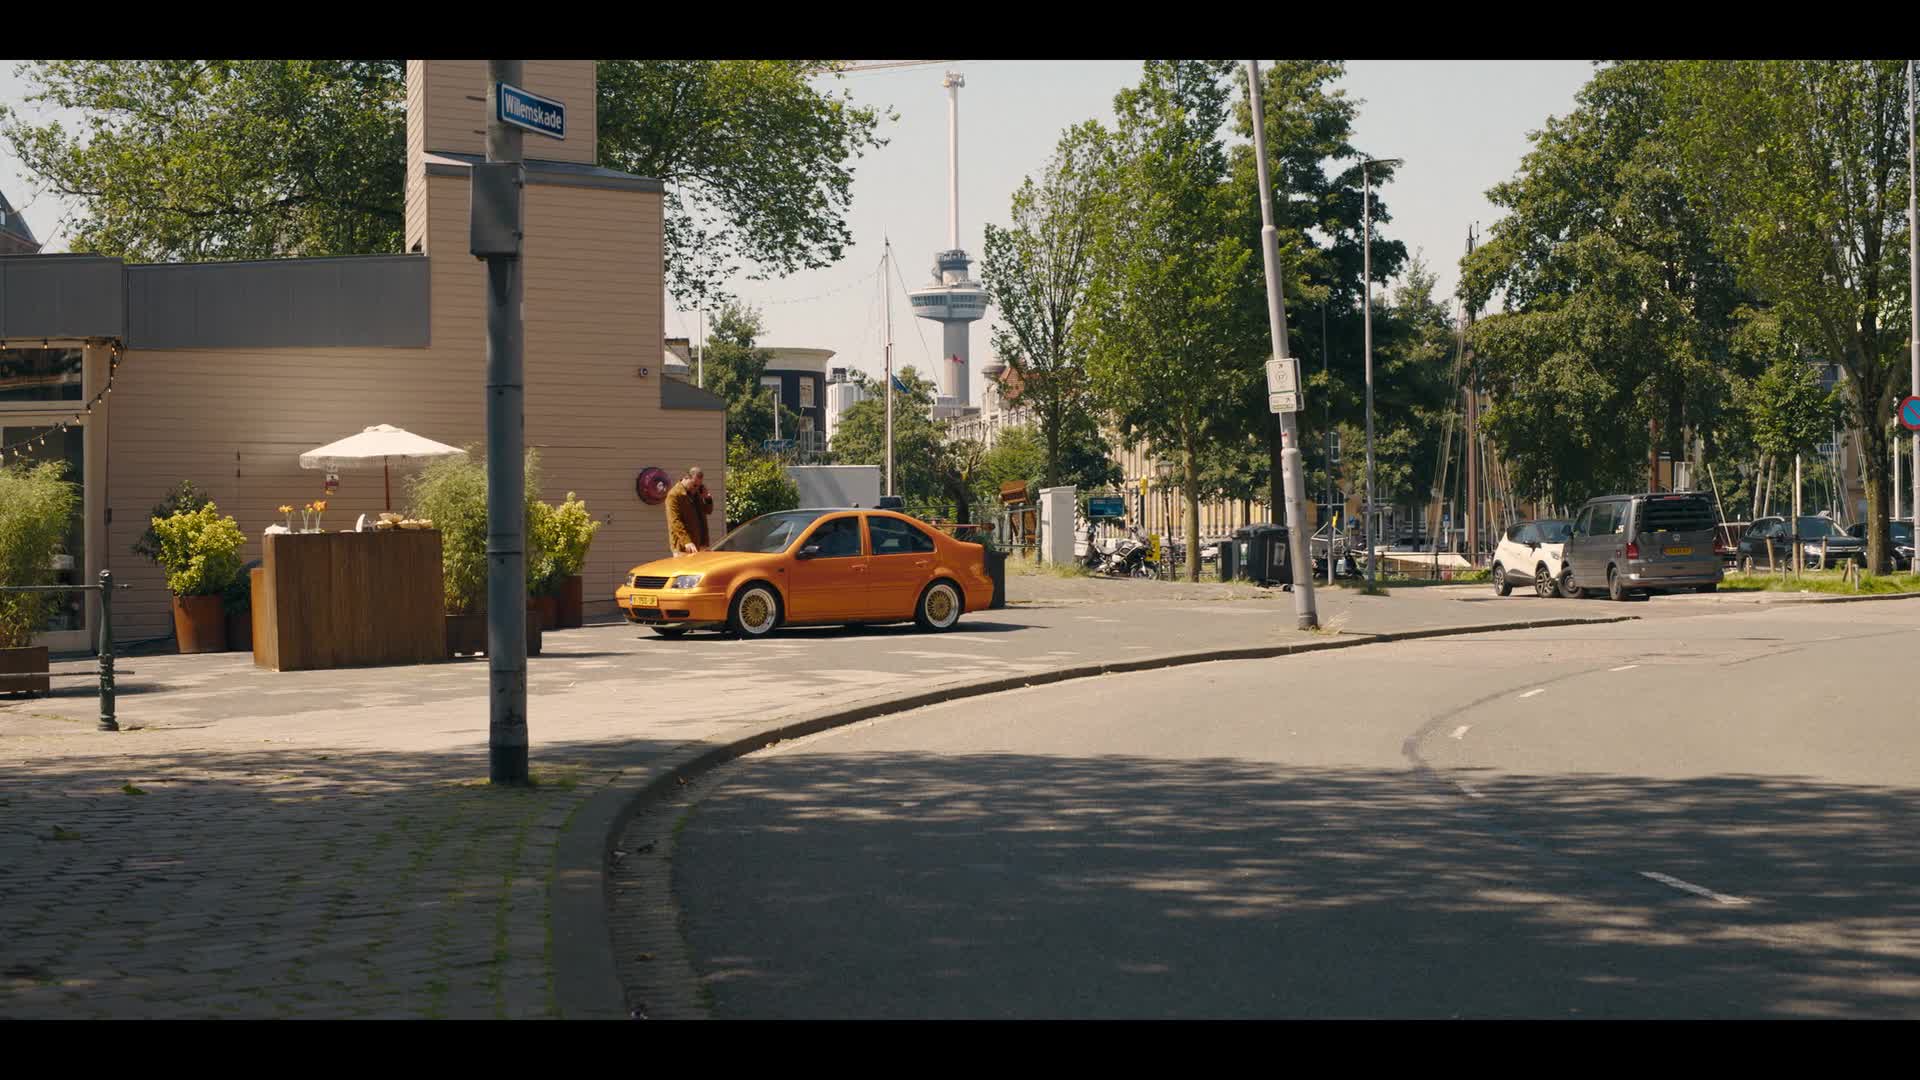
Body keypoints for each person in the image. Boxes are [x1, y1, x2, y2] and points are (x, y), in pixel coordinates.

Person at [665, 466, 714, 556]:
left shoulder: (697, 493)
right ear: (686, 478)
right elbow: (675, 521)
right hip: (684, 547)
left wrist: (707, 498)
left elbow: (708, 511)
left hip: (701, 544)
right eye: (694, 485)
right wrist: (687, 541)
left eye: (699, 486)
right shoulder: (674, 495)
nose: (696, 488)